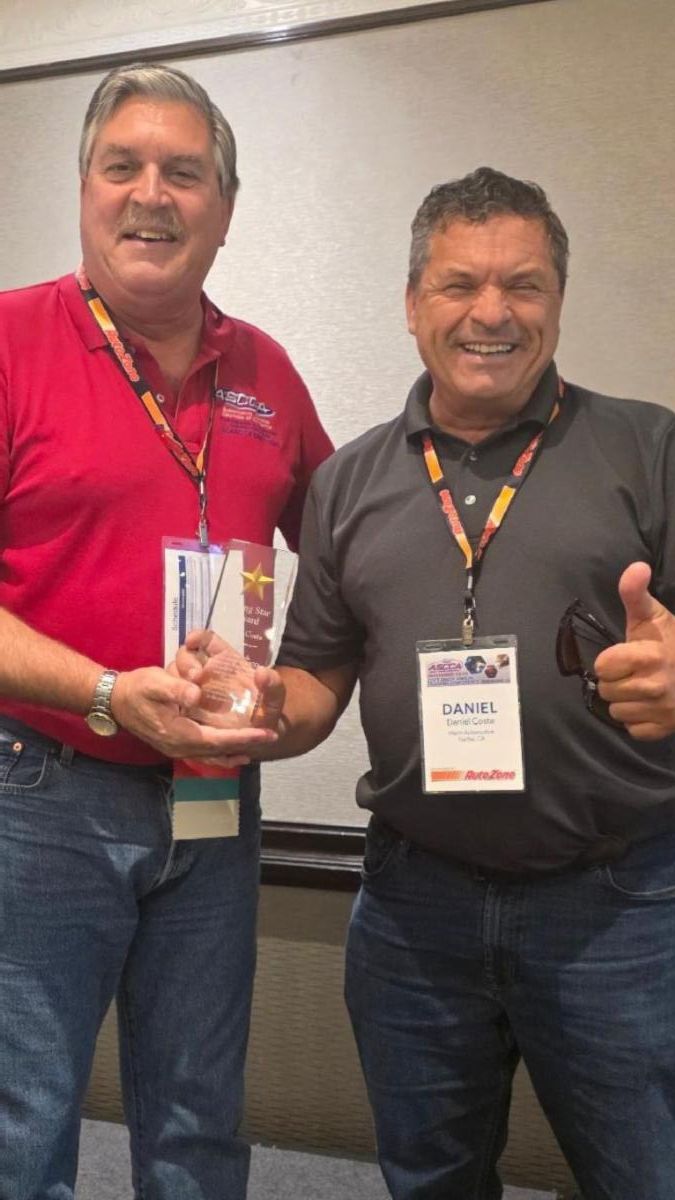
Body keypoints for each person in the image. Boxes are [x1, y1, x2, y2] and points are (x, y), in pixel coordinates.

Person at [180, 167, 675, 1200]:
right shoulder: (349, 482)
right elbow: (318, 677)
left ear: (558, 301)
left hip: (619, 906)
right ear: (412, 304)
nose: (492, 312)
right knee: (429, 1181)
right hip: (414, 908)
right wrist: (261, 705)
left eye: (523, 284)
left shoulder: (649, 447)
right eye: (459, 283)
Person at [0, 63, 332, 1200]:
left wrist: (296, 696)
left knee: (199, 1121)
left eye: (184, 173)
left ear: (225, 209)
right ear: (83, 189)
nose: (151, 194)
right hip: (38, 795)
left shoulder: (267, 372)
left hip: (212, 799)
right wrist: (104, 690)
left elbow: (356, 564)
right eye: (123, 166)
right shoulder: (10, 340)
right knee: (22, 1124)